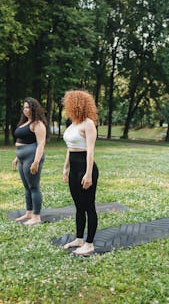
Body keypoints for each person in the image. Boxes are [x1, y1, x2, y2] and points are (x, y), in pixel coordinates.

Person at [62, 90, 99, 255]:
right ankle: (79, 239)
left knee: (88, 206)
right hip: (74, 168)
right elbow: (70, 148)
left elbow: (90, 150)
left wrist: (89, 173)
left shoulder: (88, 123)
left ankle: (89, 243)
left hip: (85, 167)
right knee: (78, 206)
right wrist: (65, 167)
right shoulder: (72, 125)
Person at [12, 97, 47, 226]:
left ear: (34, 109)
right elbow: (22, 140)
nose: (25, 110)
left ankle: (36, 216)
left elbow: (41, 144)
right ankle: (29, 212)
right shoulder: (25, 123)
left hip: (32, 157)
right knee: (27, 187)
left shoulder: (38, 124)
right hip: (22, 158)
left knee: (34, 186)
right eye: (24, 107)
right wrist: (17, 157)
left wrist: (36, 161)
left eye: (28, 107)